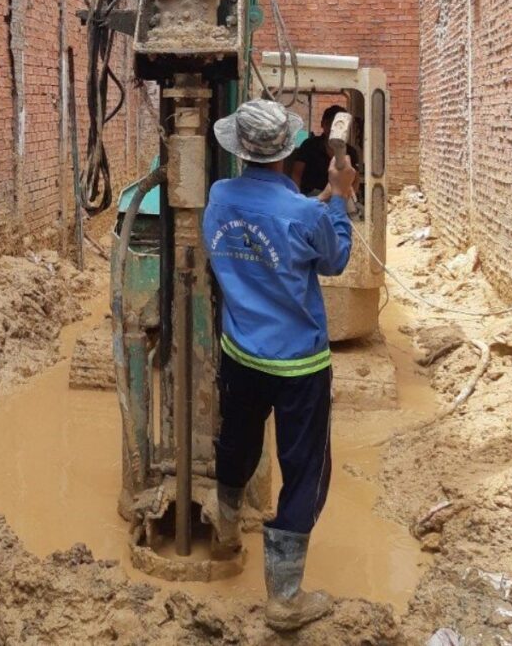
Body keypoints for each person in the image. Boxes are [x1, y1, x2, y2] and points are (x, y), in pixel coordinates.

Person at [203, 99, 355, 631]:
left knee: (236, 443)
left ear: (239, 149)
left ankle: (225, 532)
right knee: (305, 472)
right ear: (287, 150)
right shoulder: (305, 215)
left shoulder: (219, 197)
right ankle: (284, 598)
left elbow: (270, 225)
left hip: (241, 355)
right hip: (298, 367)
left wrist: (321, 200)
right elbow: (334, 258)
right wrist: (341, 199)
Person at [289, 104, 360, 198]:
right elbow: (296, 174)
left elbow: (355, 180)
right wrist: (298, 198)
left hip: (339, 196)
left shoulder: (351, 152)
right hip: (311, 197)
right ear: (323, 124)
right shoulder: (309, 145)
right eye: (330, 123)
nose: (333, 129)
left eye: (340, 126)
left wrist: (347, 198)